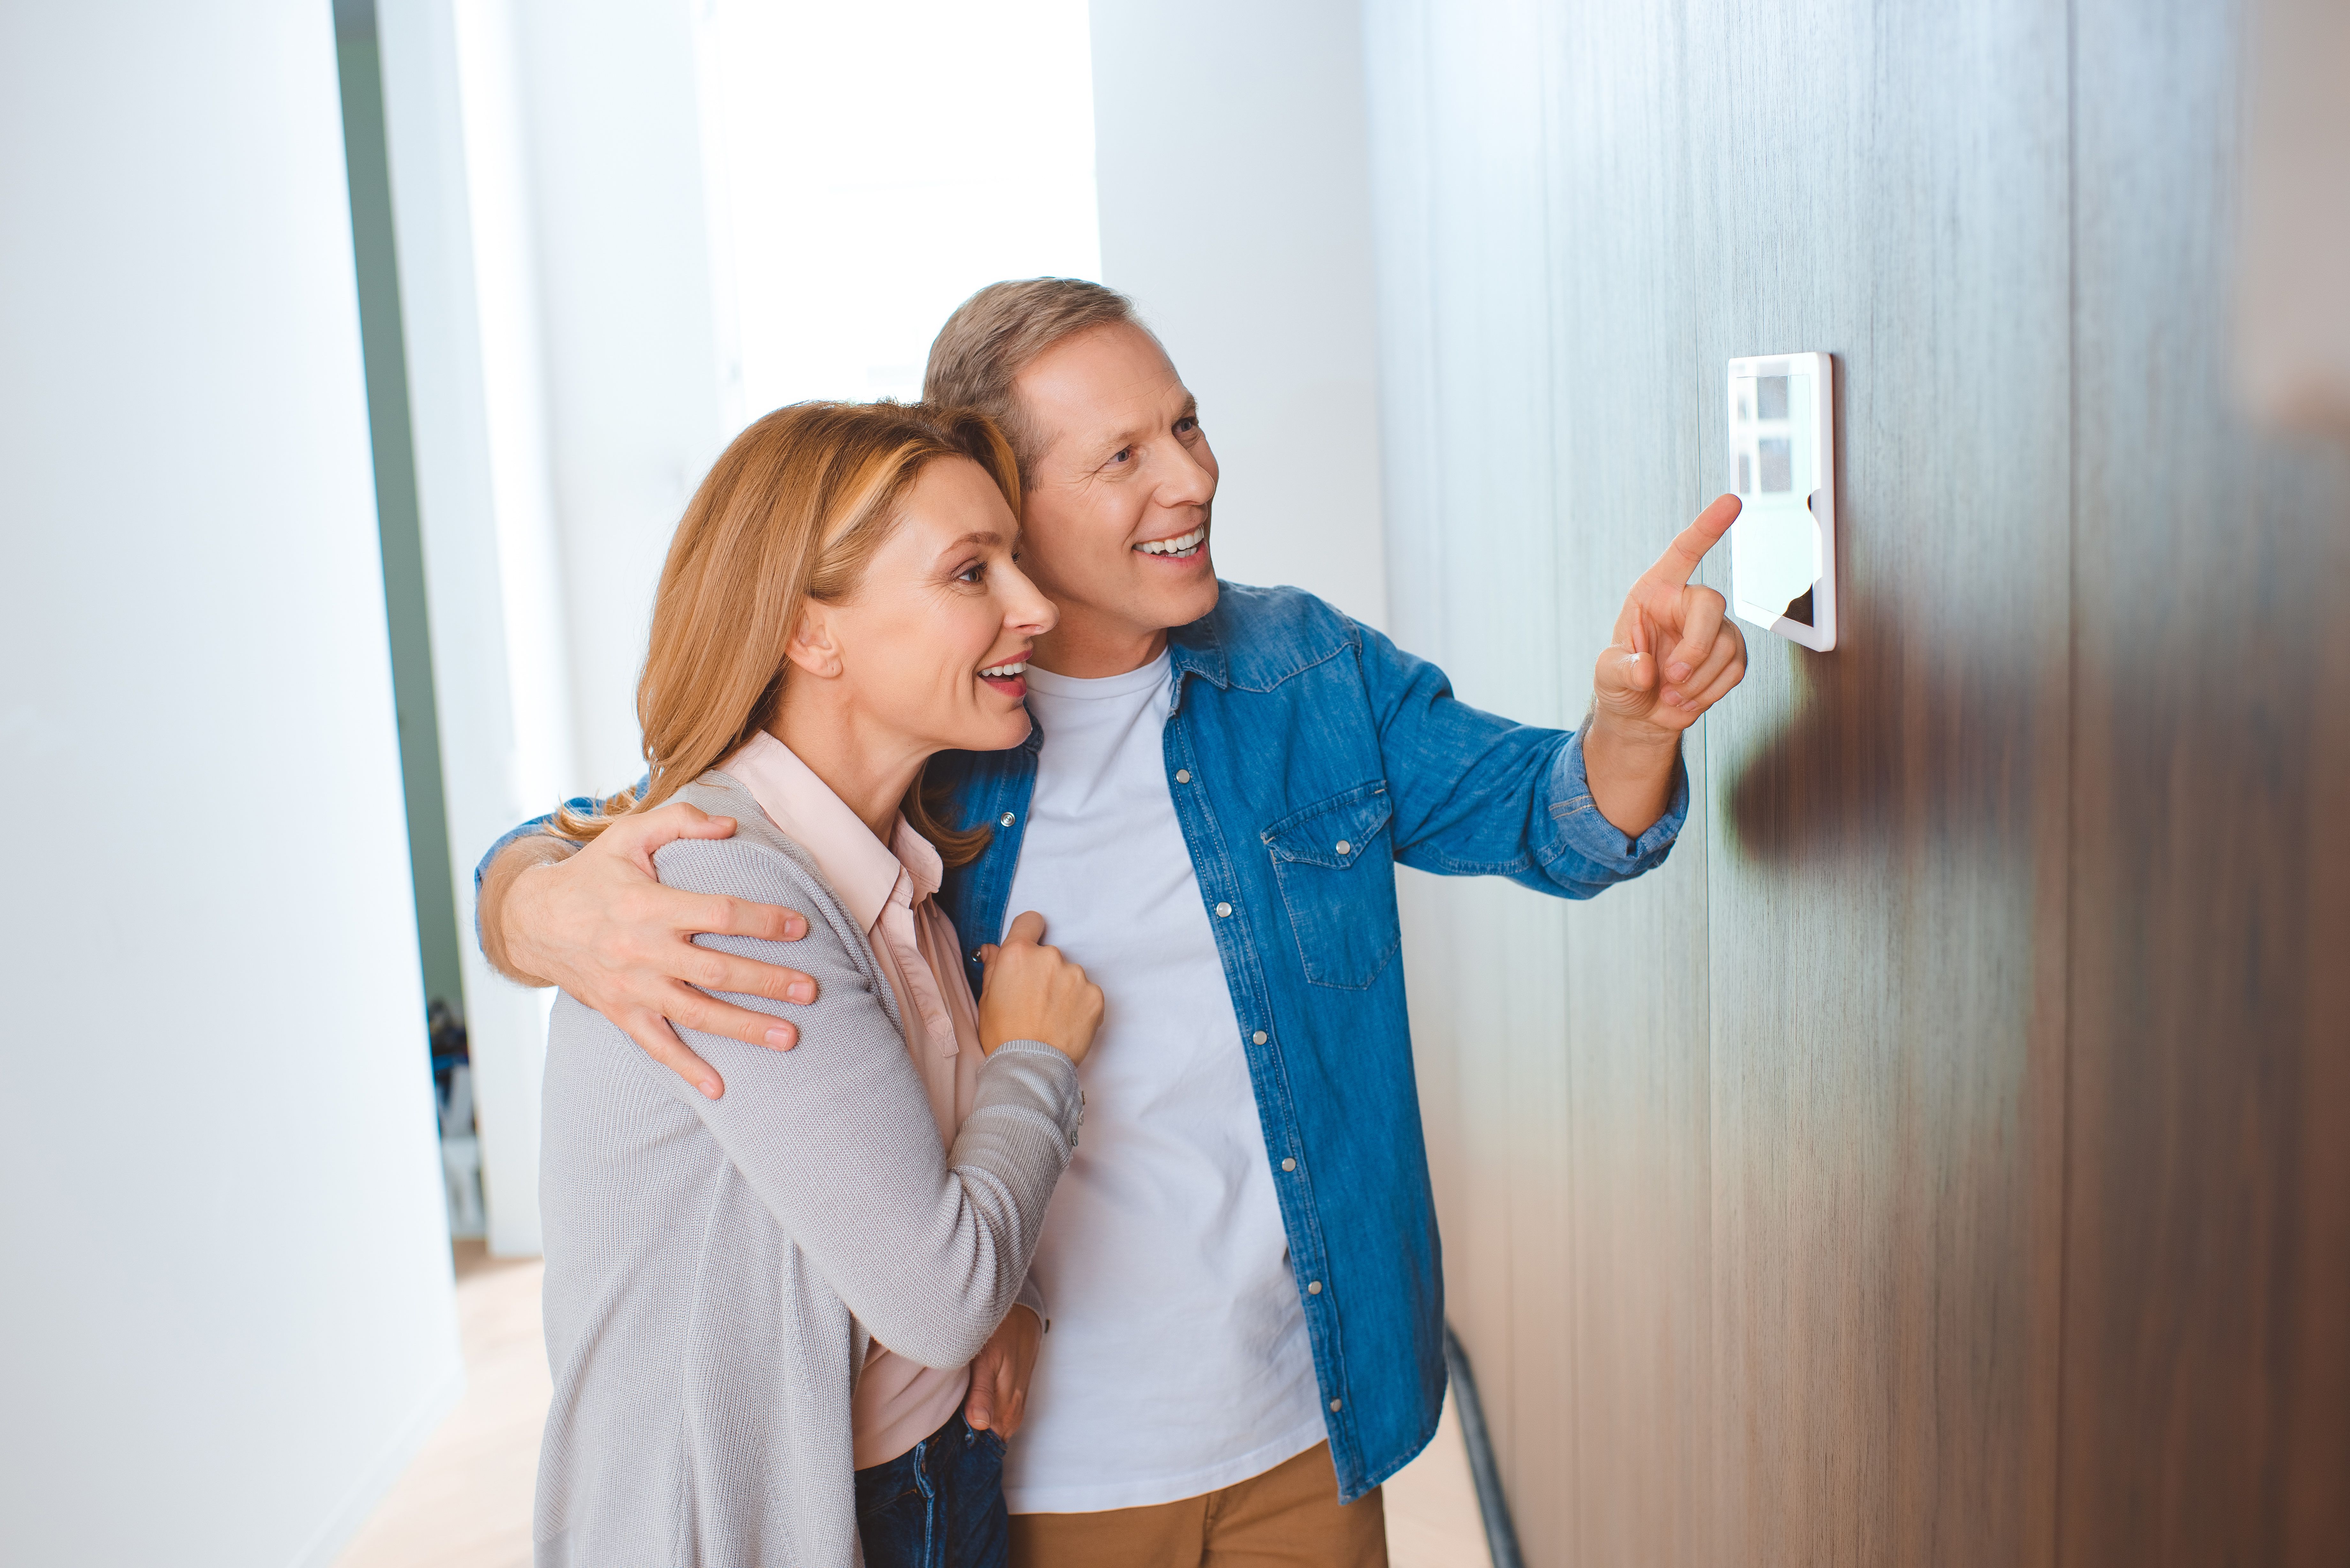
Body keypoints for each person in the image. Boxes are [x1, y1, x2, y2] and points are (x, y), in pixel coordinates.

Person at [482, 280, 1747, 1567]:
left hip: (1298, 1423)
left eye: (1186, 427)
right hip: (1024, 1458)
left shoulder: (1302, 674)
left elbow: (1549, 817)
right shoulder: (923, 735)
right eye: (1124, 456)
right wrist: (536, 903)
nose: (1189, 479)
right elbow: (635, 828)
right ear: (1008, 503)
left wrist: (1632, 730)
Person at [528, 399, 1103, 1568]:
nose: (1036, 609)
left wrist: (1018, 1303)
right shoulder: (731, 891)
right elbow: (939, 1293)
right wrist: (1037, 1059)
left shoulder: (894, 877)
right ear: (810, 635)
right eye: (970, 573)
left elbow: (901, 1202)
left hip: (931, 1471)